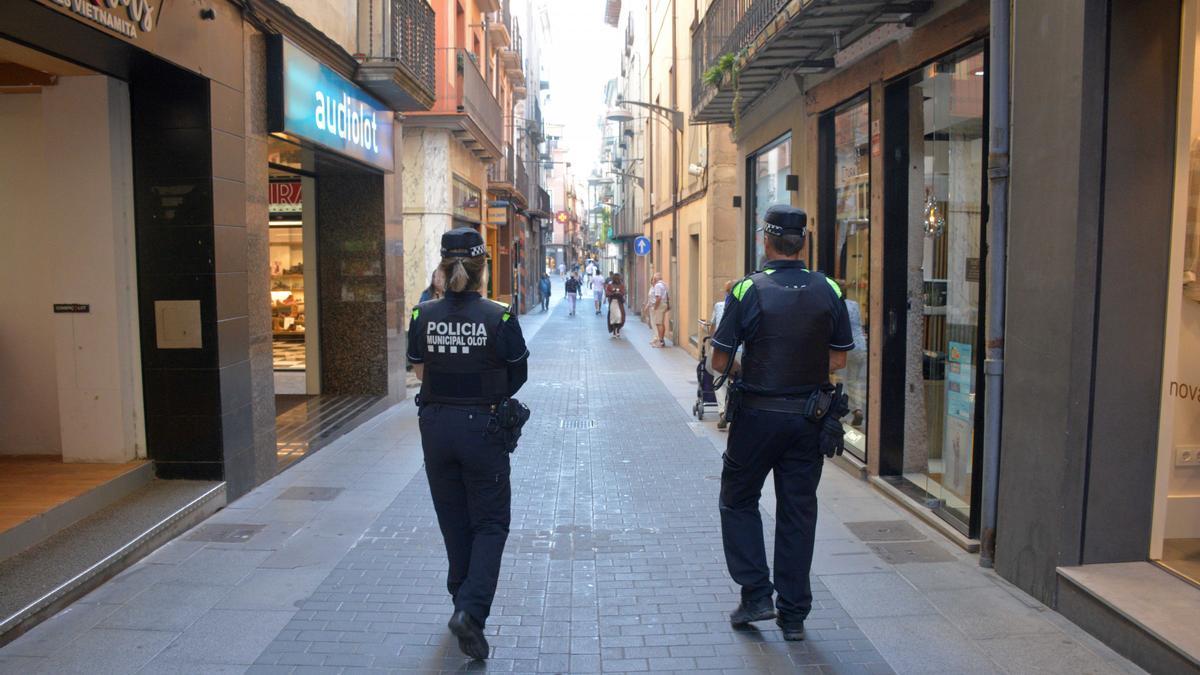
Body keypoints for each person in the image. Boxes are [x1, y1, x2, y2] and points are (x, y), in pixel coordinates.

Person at [709, 205, 854, 642]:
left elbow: (719, 359)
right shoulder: (829, 289)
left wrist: (746, 368)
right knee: (797, 512)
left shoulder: (746, 291)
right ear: (803, 243)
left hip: (756, 417)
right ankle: (793, 615)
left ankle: (756, 593)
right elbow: (839, 356)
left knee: (738, 500)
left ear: (765, 241)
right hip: (809, 418)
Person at [406, 228, 530, 661]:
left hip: (435, 426)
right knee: (490, 524)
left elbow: (419, 372)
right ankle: (471, 612)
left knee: (453, 521)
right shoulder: (501, 318)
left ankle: (462, 600)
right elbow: (518, 376)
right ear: (483, 269)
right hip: (483, 428)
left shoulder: (422, 315)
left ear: (443, 268)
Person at [709, 279, 735, 430]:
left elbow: (712, 328)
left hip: (720, 349)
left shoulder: (719, 306)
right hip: (738, 350)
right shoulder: (744, 305)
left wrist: (712, 341)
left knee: (719, 380)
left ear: (726, 292)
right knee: (736, 381)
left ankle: (722, 411)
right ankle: (734, 413)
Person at [650, 272, 670, 347]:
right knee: (661, 323)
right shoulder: (664, 284)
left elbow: (658, 298)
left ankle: (660, 342)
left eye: (654, 278)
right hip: (664, 304)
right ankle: (662, 340)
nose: (653, 280)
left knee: (659, 323)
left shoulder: (658, 286)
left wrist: (655, 307)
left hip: (660, 304)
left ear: (656, 279)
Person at [606, 273, 627, 337]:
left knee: (619, 316)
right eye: (617, 278)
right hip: (613, 302)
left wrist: (619, 293)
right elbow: (607, 293)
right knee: (613, 317)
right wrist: (612, 293)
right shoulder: (610, 285)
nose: (618, 279)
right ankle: (614, 331)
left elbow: (623, 292)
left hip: (619, 303)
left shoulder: (621, 285)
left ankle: (618, 330)